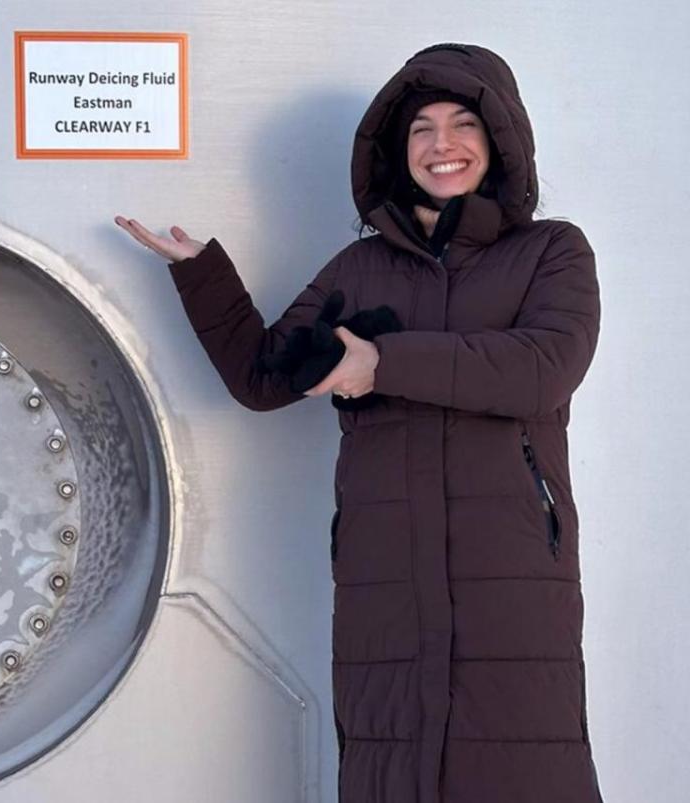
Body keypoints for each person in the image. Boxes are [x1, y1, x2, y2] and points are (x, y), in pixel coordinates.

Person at [115, 43, 604, 802]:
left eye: (463, 123)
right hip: (385, 573)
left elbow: (542, 367)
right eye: (421, 130)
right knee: (391, 765)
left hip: (510, 572)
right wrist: (202, 271)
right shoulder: (360, 270)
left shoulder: (550, 253)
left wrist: (385, 363)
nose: (442, 145)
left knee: (521, 761)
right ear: (396, 151)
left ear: (500, 138)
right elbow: (265, 377)